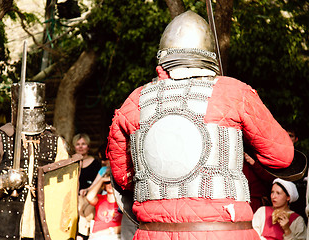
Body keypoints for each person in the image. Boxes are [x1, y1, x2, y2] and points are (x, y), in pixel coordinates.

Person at [107, 10, 294, 240]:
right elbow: (282, 156)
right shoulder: (233, 92)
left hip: (154, 234)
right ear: (208, 56)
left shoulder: (135, 101)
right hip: (225, 234)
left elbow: (123, 178)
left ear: (163, 57)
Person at [0, 82, 82, 240]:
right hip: (3, 224)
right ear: (15, 107)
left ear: (43, 108)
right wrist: (5, 181)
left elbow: (65, 190)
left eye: (35, 108)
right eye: (26, 109)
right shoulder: (0, 138)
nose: (30, 113)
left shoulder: (56, 142)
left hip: (43, 226)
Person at [74, 133, 102, 240]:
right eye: (78, 144)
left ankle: (81, 235)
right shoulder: (71, 163)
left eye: (83, 144)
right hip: (75, 197)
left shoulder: (95, 163)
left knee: (87, 211)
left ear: (88, 147)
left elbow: (98, 183)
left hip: (90, 197)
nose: (80, 146)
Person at [86, 173, 122, 240]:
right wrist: (102, 180)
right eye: (107, 182)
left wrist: (109, 231)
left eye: (112, 182)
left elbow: (127, 226)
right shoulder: (100, 199)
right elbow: (89, 197)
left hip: (115, 235)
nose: (110, 184)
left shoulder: (122, 202)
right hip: (96, 236)